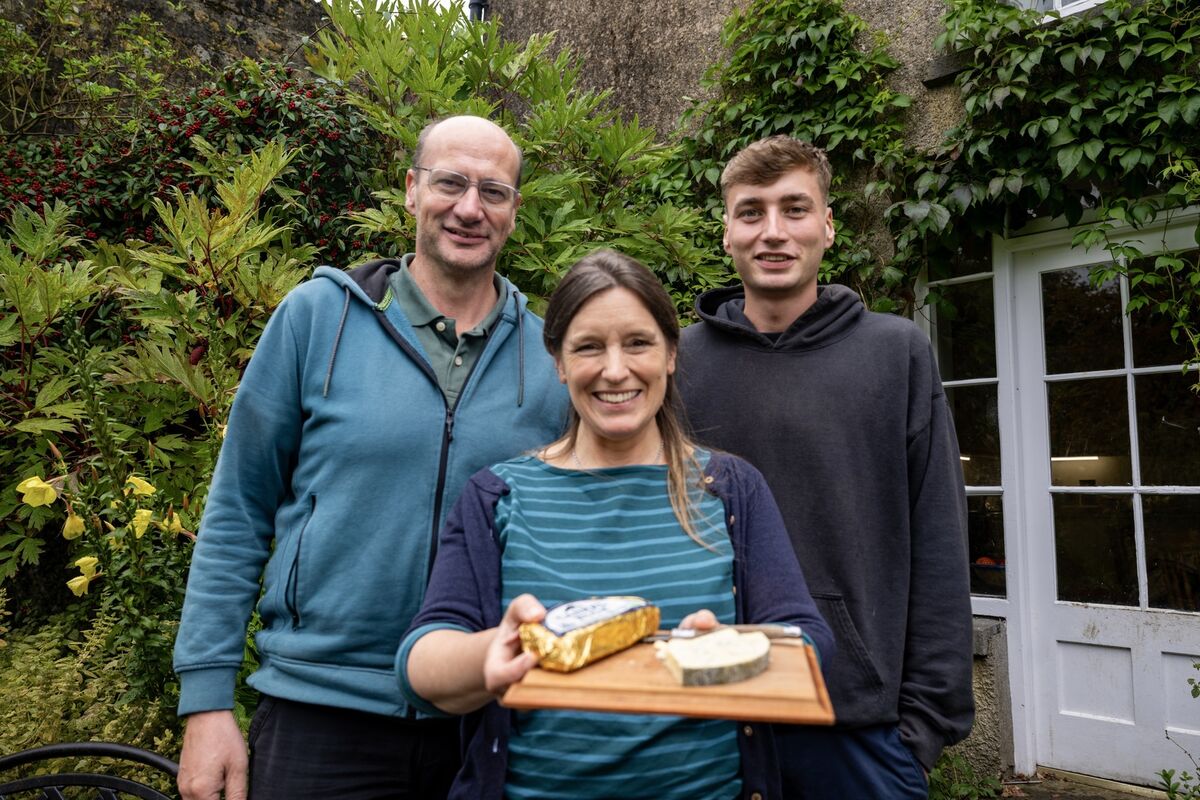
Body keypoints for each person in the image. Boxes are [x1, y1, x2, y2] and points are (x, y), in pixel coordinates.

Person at [172, 115, 568, 800]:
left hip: (485, 724)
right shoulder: (316, 320)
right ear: (412, 191)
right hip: (318, 715)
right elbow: (238, 508)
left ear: (514, 211)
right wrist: (206, 702)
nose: (469, 208)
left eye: (493, 191)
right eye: (451, 183)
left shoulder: (552, 358)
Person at [396, 248, 834, 800]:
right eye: (588, 347)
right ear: (558, 361)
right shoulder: (499, 495)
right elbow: (418, 664)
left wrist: (740, 650)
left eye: (638, 343)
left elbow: (810, 640)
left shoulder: (729, 489)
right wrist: (494, 651)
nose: (615, 369)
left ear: (671, 353)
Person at [677, 136, 974, 798]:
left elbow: (940, 543)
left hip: (858, 734)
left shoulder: (896, 355)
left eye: (795, 208)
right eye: (751, 212)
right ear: (726, 232)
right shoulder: (677, 364)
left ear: (828, 226)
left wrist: (922, 732)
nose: (773, 231)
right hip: (708, 723)